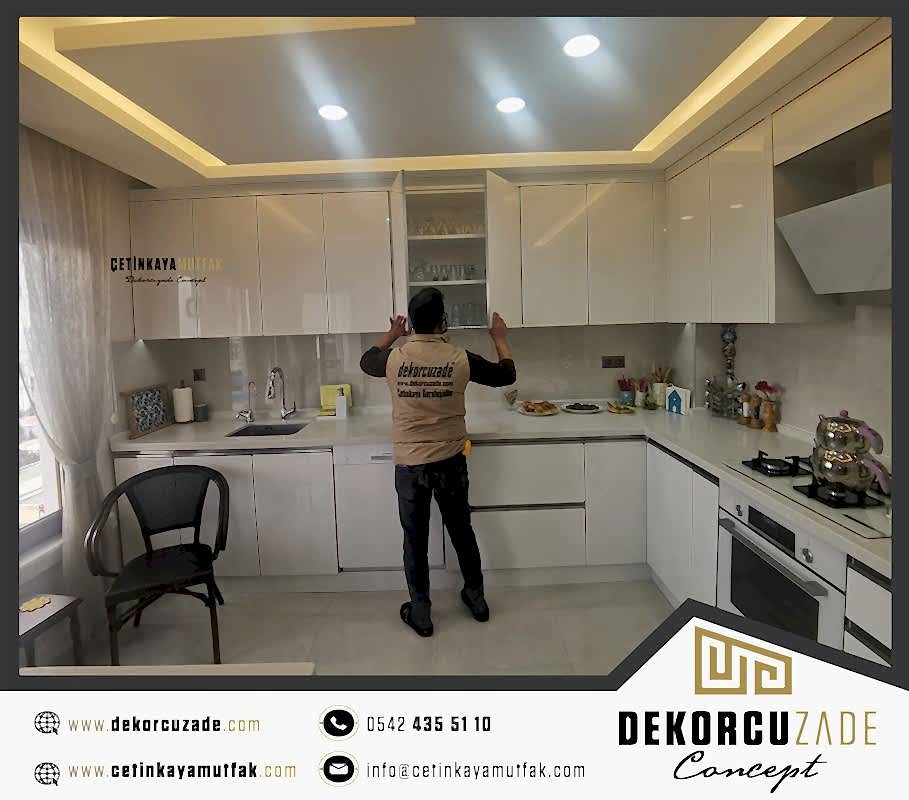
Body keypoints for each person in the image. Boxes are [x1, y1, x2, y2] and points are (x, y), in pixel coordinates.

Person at [360, 288, 516, 637]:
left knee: (415, 539)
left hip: (410, 465)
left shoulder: (394, 359)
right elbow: (506, 374)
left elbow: (367, 359)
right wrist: (499, 338)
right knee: (461, 530)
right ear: (443, 322)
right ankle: (476, 598)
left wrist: (392, 334)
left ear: (413, 324)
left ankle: (421, 612)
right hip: (450, 461)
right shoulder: (460, 358)